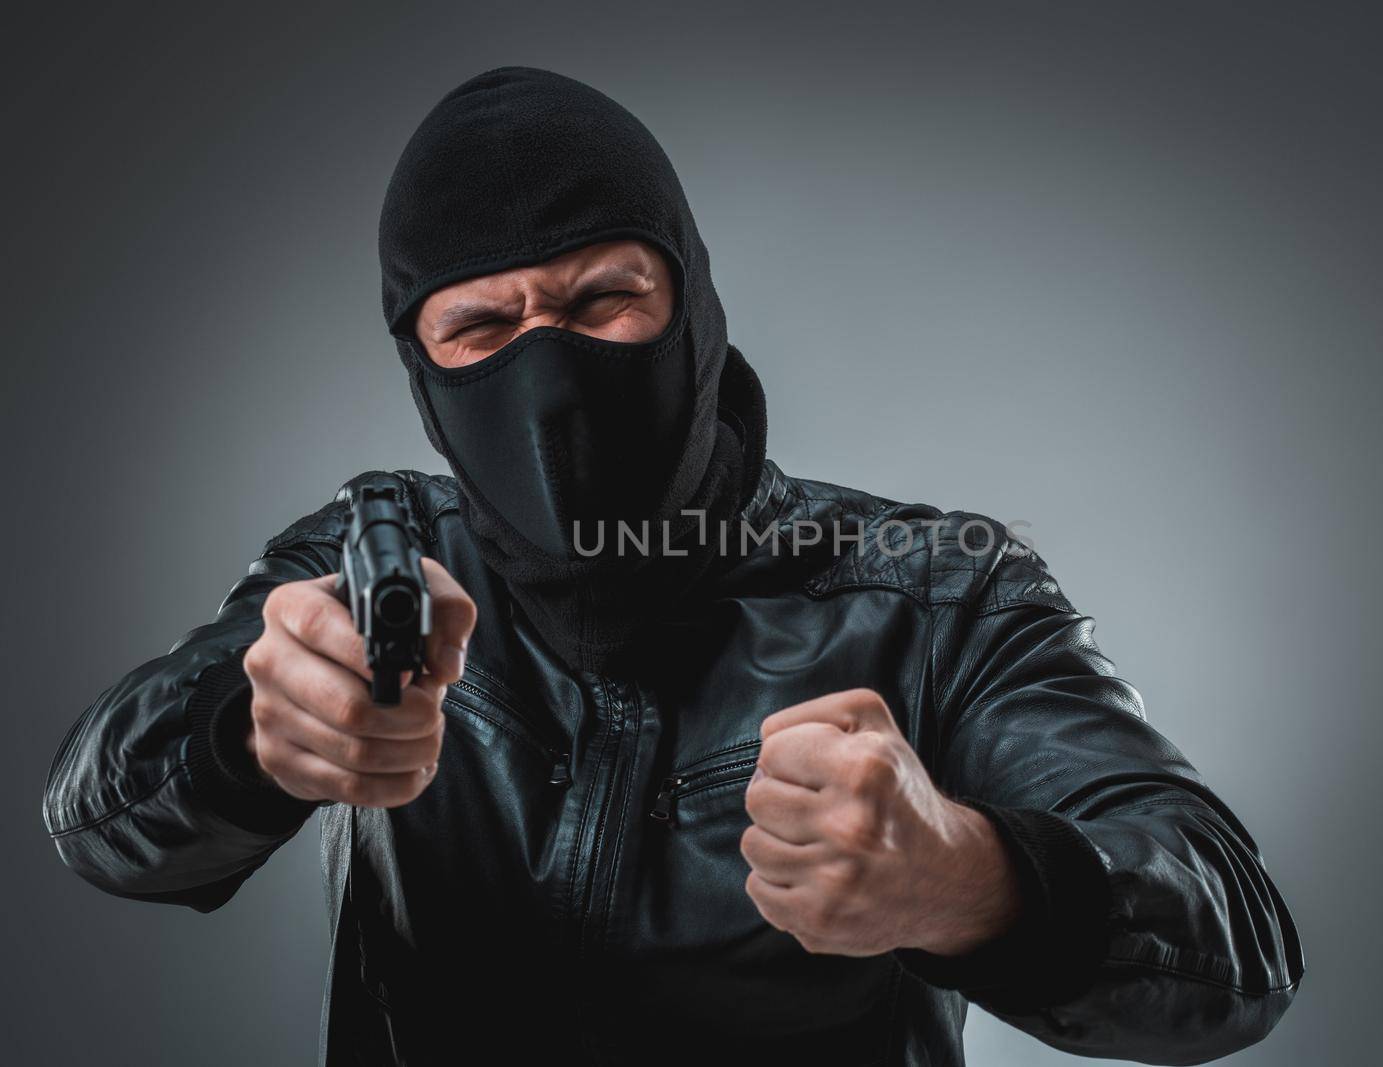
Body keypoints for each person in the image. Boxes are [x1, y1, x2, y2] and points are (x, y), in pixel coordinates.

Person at [42, 67, 1304, 1065]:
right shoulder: (368, 562)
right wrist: (250, 741)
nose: (546, 372)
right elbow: (94, 816)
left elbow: (1234, 945)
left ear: (689, 304)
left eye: (601, 301)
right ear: (424, 370)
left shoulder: (940, 589)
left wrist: (976, 879)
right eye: (481, 325)